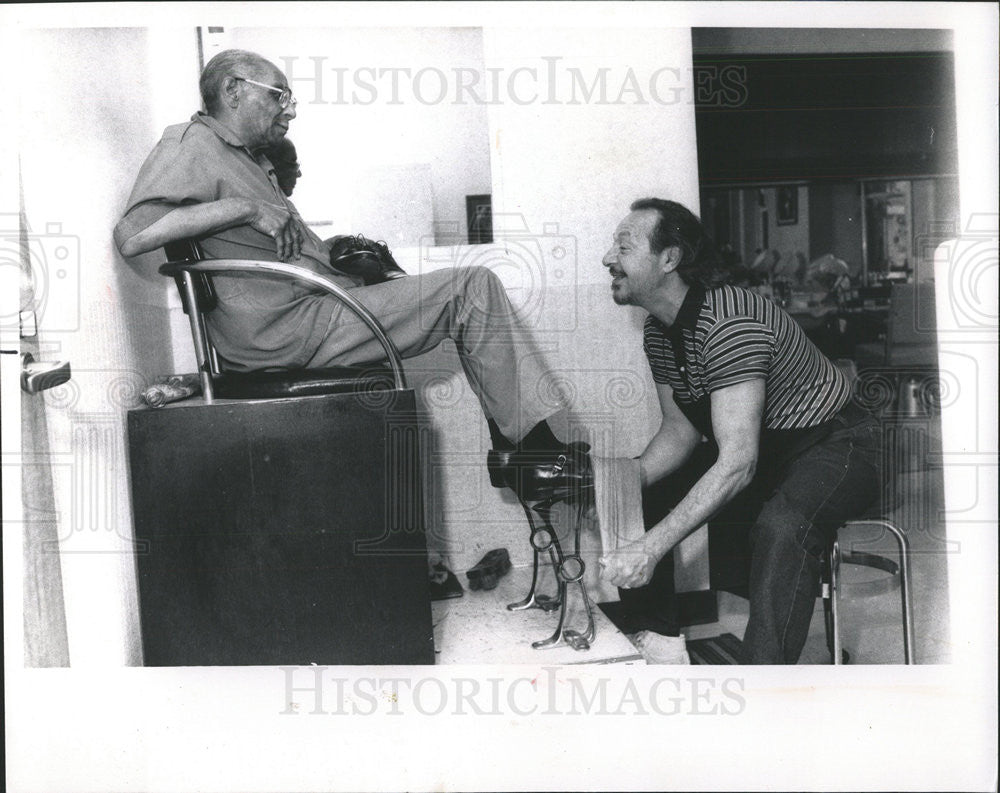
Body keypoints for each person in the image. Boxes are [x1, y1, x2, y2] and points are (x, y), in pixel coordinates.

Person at [114, 49, 586, 496]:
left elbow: (282, 247)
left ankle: (522, 451)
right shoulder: (192, 144)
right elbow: (133, 235)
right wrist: (244, 209)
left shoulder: (244, 157)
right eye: (278, 95)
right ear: (234, 90)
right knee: (472, 288)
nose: (290, 109)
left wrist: (342, 260)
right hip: (284, 331)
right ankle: (530, 455)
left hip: (305, 314)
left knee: (465, 294)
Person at [598, 198, 882, 664]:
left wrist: (650, 548)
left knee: (782, 526)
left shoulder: (728, 322)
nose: (609, 257)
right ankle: (663, 646)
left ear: (670, 259)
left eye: (623, 247)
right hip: (775, 452)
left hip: (841, 443)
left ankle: (761, 689)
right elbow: (679, 432)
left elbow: (737, 461)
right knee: (641, 489)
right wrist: (617, 483)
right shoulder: (659, 330)